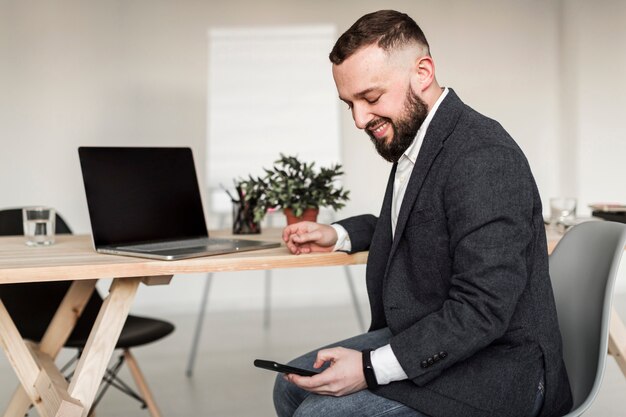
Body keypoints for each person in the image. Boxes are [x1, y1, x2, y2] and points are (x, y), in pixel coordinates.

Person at [273, 9, 572, 417]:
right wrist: (338, 235)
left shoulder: (483, 155)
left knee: (316, 413)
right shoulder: (419, 138)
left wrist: (368, 368)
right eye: (350, 105)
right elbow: (419, 224)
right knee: (288, 385)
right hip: (443, 340)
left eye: (371, 98)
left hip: (499, 371)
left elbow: (482, 309)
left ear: (423, 72)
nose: (360, 119)